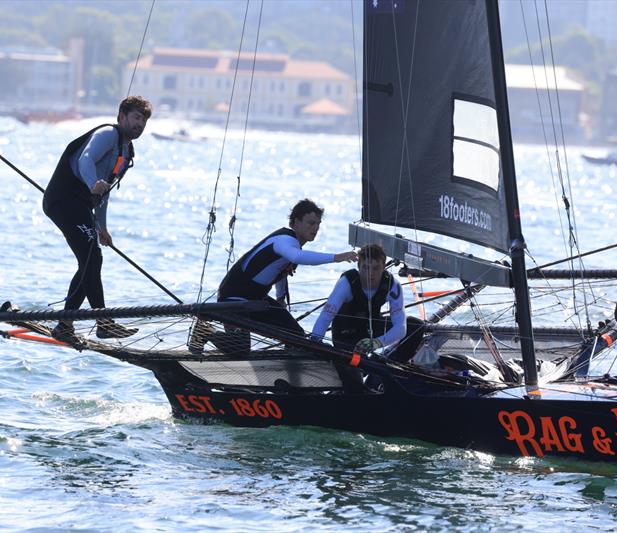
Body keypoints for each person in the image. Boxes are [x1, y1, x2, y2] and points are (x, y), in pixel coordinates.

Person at [43, 95, 152, 343]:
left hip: (81, 206)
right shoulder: (106, 135)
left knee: (90, 259)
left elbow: (104, 191)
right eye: (136, 117)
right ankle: (104, 323)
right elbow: (85, 160)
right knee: (92, 257)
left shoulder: (126, 151)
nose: (140, 124)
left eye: (144, 121)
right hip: (63, 200)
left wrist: (102, 227)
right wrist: (94, 184)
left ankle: (65, 324)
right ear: (122, 116)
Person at [189, 199, 357, 354]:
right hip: (234, 296)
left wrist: (281, 298)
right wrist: (337, 257)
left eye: (318, 224)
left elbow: (280, 271)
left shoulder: (293, 246)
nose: (315, 228)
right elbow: (297, 258)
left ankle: (287, 372)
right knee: (239, 348)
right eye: (311, 223)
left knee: (296, 337)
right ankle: (205, 331)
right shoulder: (284, 240)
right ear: (296, 222)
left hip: (256, 298)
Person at [311, 244, 424, 391]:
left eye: (376, 268)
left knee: (415, 326)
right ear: (358, 267)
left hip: (371, 331)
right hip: (346, 335)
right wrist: (315, 343)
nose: (370, 274)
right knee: (356, 387)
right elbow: (325, 317)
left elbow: (400, 327)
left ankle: (386, 369)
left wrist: (377, 342)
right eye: (365, 268)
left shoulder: (392, 285)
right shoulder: (347, 283)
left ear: (384, 267)